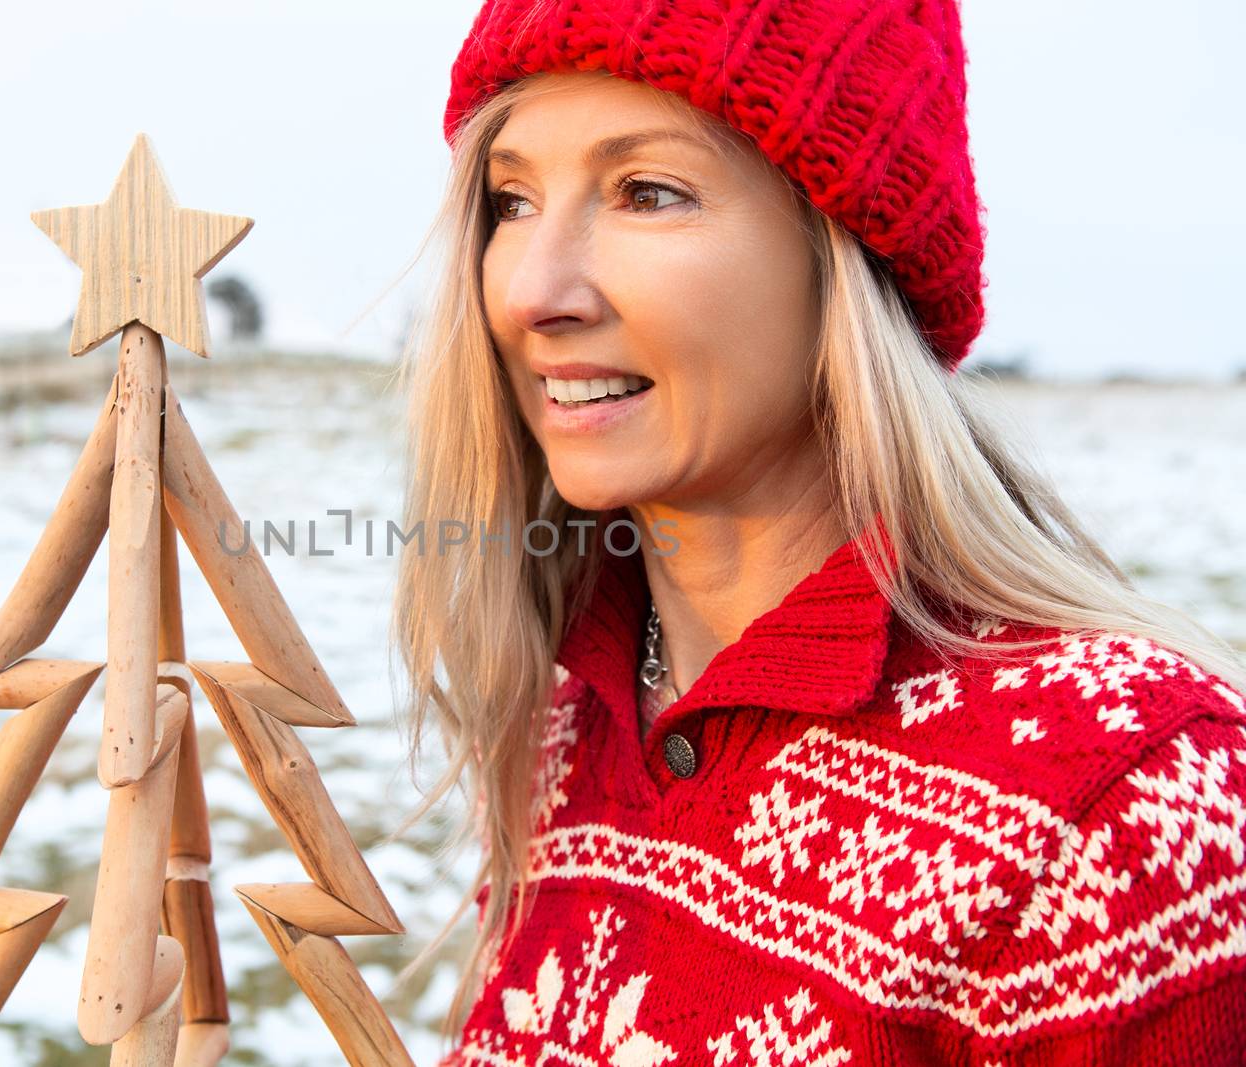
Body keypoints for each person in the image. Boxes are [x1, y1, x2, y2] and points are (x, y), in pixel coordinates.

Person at [387, 1, 1246, 1064]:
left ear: (846, 251)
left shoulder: (1115, 804)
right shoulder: (572, 723)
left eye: (646, 191)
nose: (530, 291)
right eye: (511, 200)